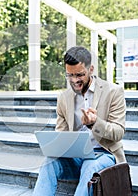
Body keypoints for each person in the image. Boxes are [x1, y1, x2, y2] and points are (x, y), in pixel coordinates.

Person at [32, 46, 127, 196]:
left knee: (90, 166)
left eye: (80, 75)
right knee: (49, 162)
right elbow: (61, 134)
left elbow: (118, 132)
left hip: (103, 153)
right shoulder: (64, 98)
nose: (75, 80)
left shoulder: (113, 92)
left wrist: (94, 123)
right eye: (70, 75)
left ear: (91, 69)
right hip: (76, 156)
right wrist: (55, 145)